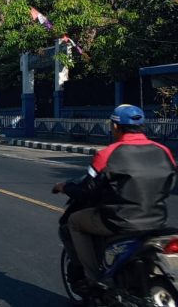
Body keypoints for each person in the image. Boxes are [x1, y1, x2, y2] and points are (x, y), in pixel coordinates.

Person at [52, 104, 176, 284]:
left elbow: (87, 190)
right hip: (157, 220)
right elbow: (170, 182)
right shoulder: (163, 151)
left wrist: (63, 187)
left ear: (115, 127)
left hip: (119, 220)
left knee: (74, 221)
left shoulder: (107, 154)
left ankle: (93, 278)